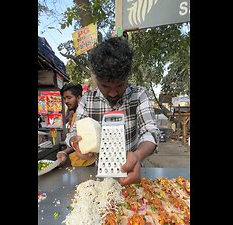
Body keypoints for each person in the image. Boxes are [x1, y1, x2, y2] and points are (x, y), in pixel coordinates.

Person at [65, 37, 161, 186]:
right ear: (96, 79)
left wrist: (137, 155)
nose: (112, 93)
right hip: (100, 179)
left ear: (127, 76)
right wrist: (76, 144)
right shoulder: (87, 100)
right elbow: (73, 134)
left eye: (119, 85)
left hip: (134, 173)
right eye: (105, 86)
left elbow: (150, 132)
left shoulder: (140, 95)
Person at [56, 84, 96, 167]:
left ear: (79, 98)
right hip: (76, 162)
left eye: (69, 97)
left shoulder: (84, 117)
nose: (66, 101)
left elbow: (79, 140)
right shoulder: (74, 115)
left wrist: (64, 152)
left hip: (86, 163)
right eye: (64, 98)